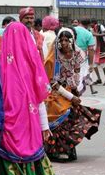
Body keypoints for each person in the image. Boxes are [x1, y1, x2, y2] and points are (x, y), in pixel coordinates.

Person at [0, 22, 61, 175]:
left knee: (7, 153)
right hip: (30, 118)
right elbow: (39, 96)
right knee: (29, 150)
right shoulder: (32, 60)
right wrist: (43, 126)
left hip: (7, 118)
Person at [43, 27, 101, 161]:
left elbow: (76, 75)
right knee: (60, 113)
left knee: (74, 116)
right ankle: (55, 150)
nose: (63, 43)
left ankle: (68, 149)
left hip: (70, 89)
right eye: (61, 40)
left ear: (72, 41)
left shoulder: (78, 54)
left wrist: (75, 91)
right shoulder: (53, 57)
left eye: (66, 40)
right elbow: (52, 82)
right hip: (55, 91)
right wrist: (70, 96)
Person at [75, 18, 97, 94]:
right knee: (80, 77)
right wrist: (91, 64)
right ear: (88, 25)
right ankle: (77, 93)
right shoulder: (88, 34)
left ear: (79, 22)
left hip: (69, 56)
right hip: (82, 58)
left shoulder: (72, 30)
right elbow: (91, 50)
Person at [91, 18, 105, 85]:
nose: (90, 25)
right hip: (95, 49)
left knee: (102, 64)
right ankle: (99, 79)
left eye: (91, 24)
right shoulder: (92, 29)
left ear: (94, 23)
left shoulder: (100, 26)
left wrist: (95, 34)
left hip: (101, 48)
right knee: (94, 65)